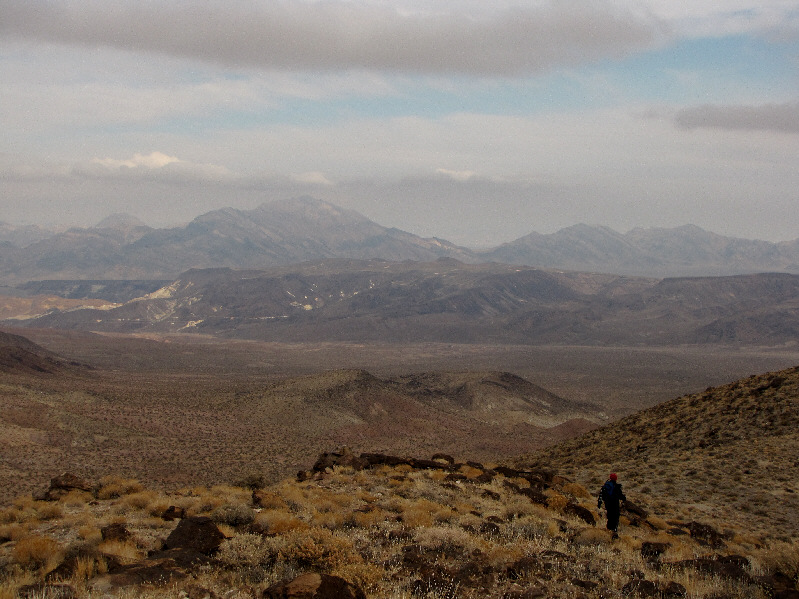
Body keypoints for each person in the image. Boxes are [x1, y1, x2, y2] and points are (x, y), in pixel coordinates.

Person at [597, 472, 626, 538]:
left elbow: (601, 496)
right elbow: (620, 496)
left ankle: (608, 531)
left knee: (610, 518)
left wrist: (599, 504)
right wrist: (624, 499)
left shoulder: (605, 486)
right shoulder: (616, 486)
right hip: (615, 505)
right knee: (615, 518)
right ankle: (614, 532)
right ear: (615, 479)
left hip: (608, 505)